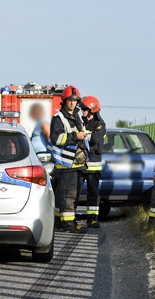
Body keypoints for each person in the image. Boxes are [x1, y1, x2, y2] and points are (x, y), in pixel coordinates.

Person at [49, 85, 87, 232]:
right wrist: (75, 136)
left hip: (77, 164)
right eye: (70, 100)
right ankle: (69, 224)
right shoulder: (58, 118)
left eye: (75, 101)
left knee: (70, 195)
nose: (72, 103)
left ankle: (59, 221)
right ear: (64, 101)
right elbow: (56, 138)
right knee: (68, 195)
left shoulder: (76, 116)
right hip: (66, 165)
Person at [78, 96, 106, 228]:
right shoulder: (79, 121)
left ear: (92, 110)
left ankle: (92, 219)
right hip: (80, 162)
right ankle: (71, 219)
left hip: (93, 165)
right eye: (82, 109)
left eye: (85, 109)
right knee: (75, 192)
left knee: (93, 193)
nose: (82, 111)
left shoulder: (100, 124)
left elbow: (95, 138)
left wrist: (83, 134)